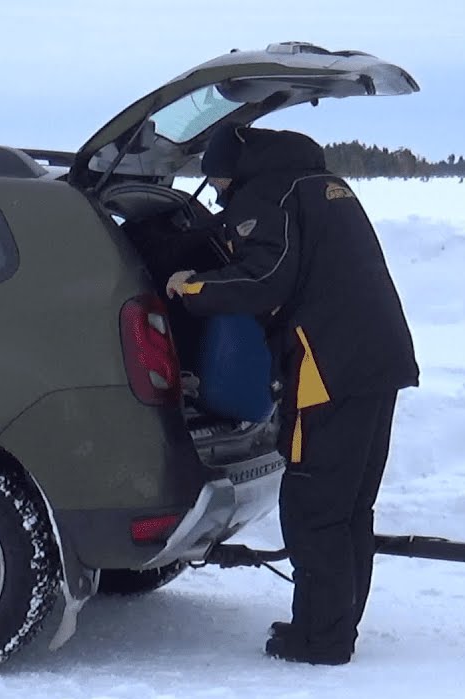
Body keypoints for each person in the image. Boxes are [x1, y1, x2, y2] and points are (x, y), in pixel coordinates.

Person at [167, 123, 419, 665]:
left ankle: (321, 639)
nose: (214, 193)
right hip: (380, 360)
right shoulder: (320, 184)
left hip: (327, 369)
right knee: (351, 504)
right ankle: (335, 626)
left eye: (214, 181)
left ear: (231, 168)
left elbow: (267, 279)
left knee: (313, 504)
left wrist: (192, 287)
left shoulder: (267, 194)